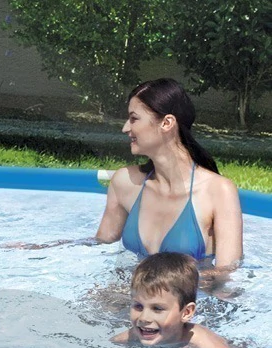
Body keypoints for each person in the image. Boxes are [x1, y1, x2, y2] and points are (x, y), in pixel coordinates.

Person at [96, 79, 242, 270]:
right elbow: (99, 245)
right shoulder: (125, 182)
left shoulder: (218, 191)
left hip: (192, 291)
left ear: (166, 123)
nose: (125, 128)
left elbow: (226, 273)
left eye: (134, 118)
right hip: (128, 289)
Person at [111, 253, 235, 348]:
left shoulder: (201, 342)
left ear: (186, 312)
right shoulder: (130, 337)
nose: (144, 318)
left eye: (157, 308)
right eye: (138, 306)